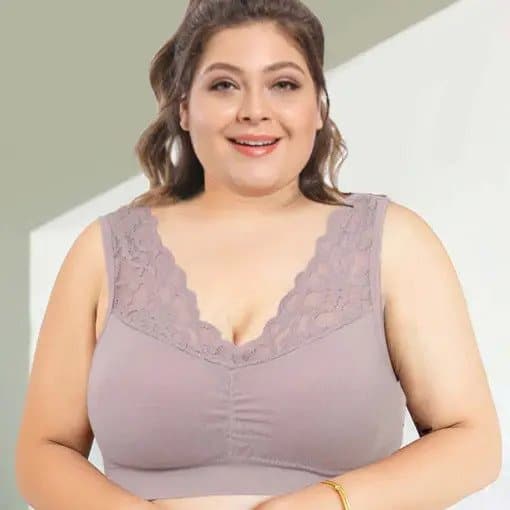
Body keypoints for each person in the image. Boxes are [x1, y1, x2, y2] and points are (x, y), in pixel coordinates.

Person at [15, 1, 502, 510]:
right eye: (224, 85)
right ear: (184, 107)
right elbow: (44, 451)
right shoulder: (103, 252)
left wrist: (324, 504)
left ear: (319, 106)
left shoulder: (395, 244)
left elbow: (472, 443)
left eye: (283, 84)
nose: (254, 110)